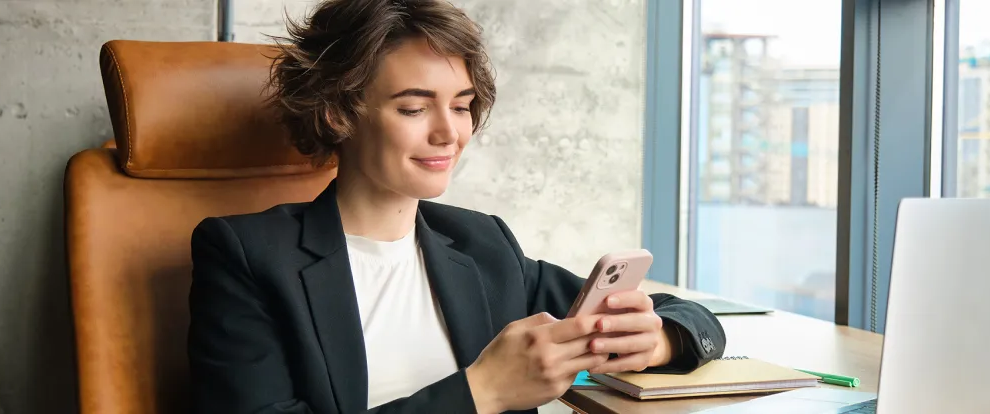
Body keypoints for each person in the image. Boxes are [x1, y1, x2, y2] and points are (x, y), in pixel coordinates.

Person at [186, 0, 727, 413]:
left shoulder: (482, 244)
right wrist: (481, 391)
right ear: (336, 114)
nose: (450, 132)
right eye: (414, 107)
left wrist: (658, 339)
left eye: (463, 106)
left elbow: (695, 320)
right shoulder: (248, 257)